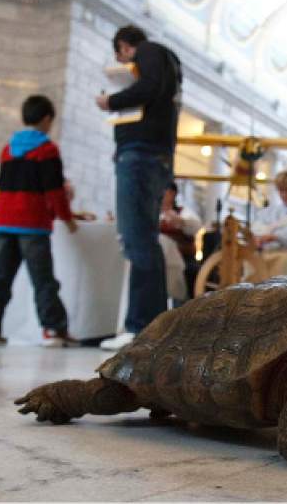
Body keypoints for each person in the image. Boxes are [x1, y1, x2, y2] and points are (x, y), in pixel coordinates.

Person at [95, 25, 182, 352]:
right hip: (154, 156)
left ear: (124, 47)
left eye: (121, 55)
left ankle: (140, 326)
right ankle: (154, 326)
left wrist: (111, 100)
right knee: (145, 240)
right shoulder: (167, 60)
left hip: (140, 155)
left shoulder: (148, 52)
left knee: (136, 239)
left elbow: (148, 86)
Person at [0, 95, 78, 347]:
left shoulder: (8, 149)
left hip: (5, 221)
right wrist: (67, 218)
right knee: (43, 280)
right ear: (46, 119)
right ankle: (53, 330)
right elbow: (54, 190)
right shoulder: (47, 149)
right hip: (32, 222)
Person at [158, 180, 202, 304]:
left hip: (182, 260)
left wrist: (180, 221)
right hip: (157, 261)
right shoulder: (153, 213)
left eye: (164, 191)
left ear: (173, 193)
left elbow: (196, 225)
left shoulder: (184, 212)